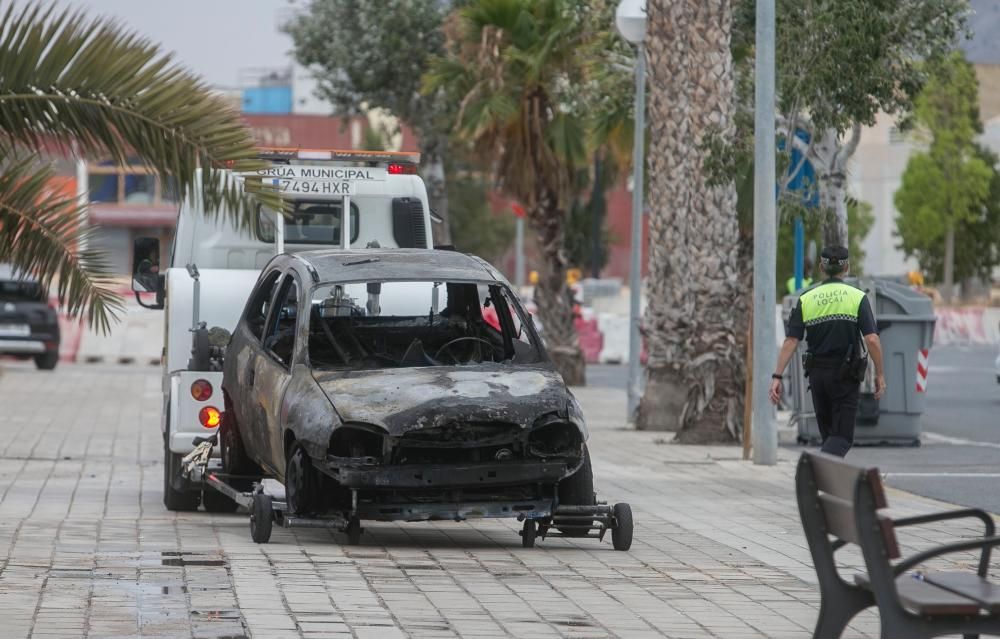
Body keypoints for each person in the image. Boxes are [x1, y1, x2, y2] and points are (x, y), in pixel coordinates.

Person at [769, 246, 886, 457]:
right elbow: (872, 339)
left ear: (821, 268)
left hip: (817, 377)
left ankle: (826, 484)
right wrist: (879, 374)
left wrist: (777, 376)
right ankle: (813, 469)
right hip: (845, 377)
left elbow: (791, 340)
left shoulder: (806, 298)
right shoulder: (857, 297)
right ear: (847, 267)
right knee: (841, 439)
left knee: (830, 436)